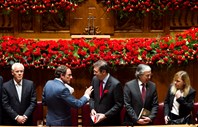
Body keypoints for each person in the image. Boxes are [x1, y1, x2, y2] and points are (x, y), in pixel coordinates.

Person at [89, 60, 123, 126]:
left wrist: (105, 115)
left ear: (103, 72)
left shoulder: (115, 84)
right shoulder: (94, 79)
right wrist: (92, 108)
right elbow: (92, 97)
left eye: (96, 72)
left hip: (110, 121)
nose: (94, 73)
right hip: (96, 121)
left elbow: (119, 105)